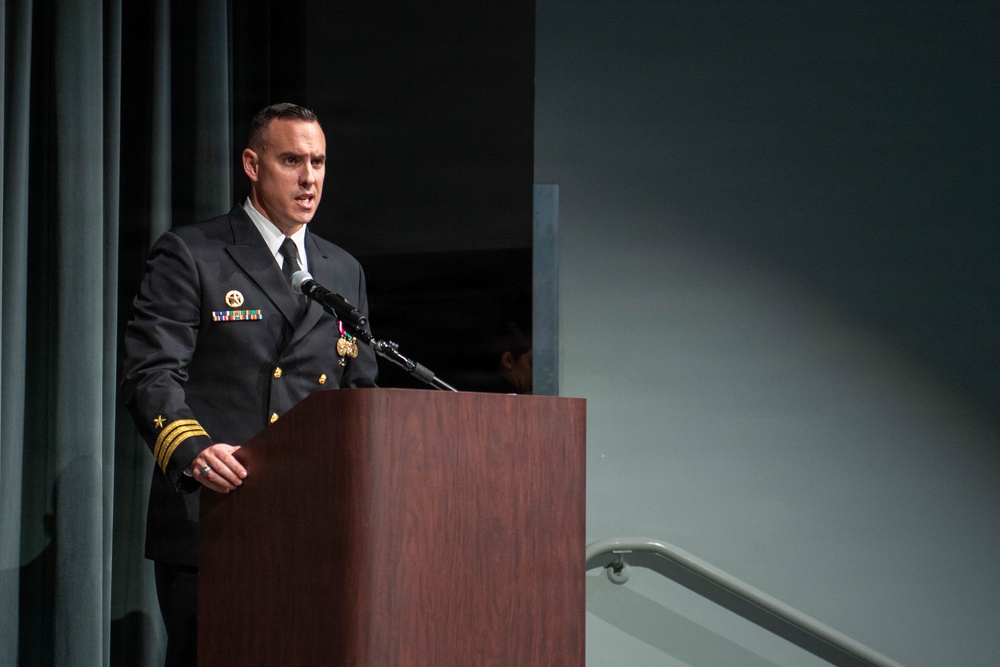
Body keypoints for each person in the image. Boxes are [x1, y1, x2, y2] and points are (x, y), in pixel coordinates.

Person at [121, 103, 378, 666]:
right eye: (291, 160)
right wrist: (192, 452)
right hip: (216, 517)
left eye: (318, 162)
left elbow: (360, 398)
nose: (309, 178)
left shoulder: (342, 271)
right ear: (252, 165)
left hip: (314, 527)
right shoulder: (194, 253)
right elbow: (151, 374)